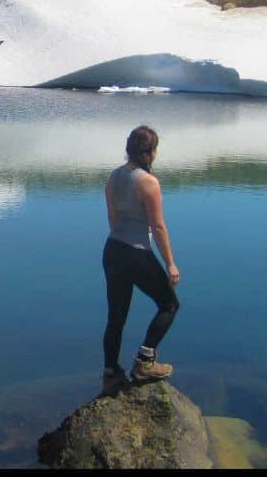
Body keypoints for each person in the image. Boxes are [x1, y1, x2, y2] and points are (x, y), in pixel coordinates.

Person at [101, 125, 180, 396]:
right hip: (135, 252)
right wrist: (170, 264)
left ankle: (110, 373)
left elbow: (112, 218)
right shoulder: (148, 182)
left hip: (112, 249)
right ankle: (145, 361)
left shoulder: (114, 176)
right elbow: (158, 227)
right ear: (150, 152)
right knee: (169, 304)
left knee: (116, 317)